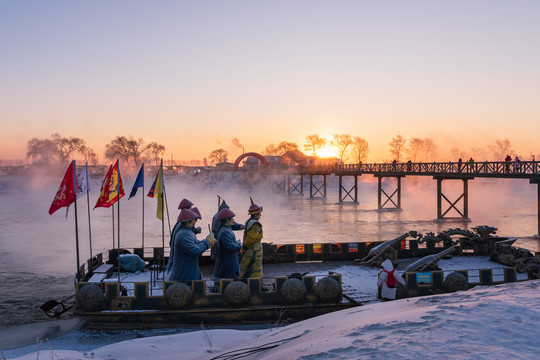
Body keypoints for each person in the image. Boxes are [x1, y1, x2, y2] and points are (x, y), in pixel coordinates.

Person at [165, 208, 216, 283]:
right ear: (189, 221)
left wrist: (208, 244)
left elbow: (195, 243)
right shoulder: (183, 234)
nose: (196, 221)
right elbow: (195, 250)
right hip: (184, 273)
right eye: (195, 219)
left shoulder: (187, 232)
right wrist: (207, 241)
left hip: (190, 269)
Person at [212, 208, 242, 288]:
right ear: (227, 220)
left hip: (228, 261)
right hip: (227, 263)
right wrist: (239, 244)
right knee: (225, 283)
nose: (233, 220)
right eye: (232, 218)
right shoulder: (225, 232)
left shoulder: (226, 229)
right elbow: (231, 247)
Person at [239, 197, 263, 278]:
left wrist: (245, 246)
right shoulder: (255, 224)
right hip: (254, 249)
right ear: (255, 214)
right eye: (259, 213)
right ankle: (254, 283)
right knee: (255, 267)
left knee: (246, 266)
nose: (260, 215)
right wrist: (245, 246)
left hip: (250, 248)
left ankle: (246, 281)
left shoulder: (248, 221)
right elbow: (251, 238)